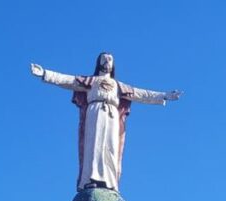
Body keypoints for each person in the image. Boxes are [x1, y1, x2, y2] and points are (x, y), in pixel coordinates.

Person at [29, 52, 182, 192]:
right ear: (99, 63)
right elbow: (67, 80)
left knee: (111, 147)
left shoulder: (119, 86)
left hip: (112, 116)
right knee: (93, 145)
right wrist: (45, 73)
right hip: (95, 113)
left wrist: (164, 96)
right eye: (104, 59)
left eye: (110, 59)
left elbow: (142, 94)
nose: (107, 61)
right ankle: (91, 178)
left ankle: (110, 182)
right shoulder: (91, 81)